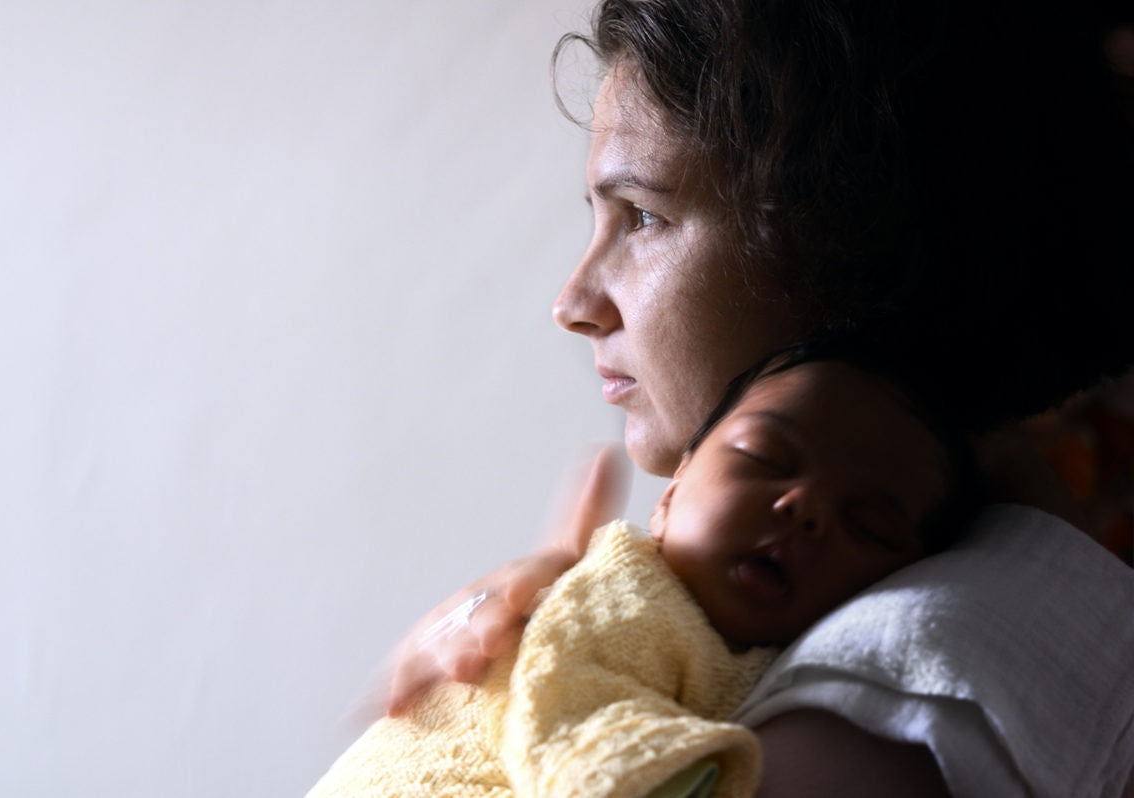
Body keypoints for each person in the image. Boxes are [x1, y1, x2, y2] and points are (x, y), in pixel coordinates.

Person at [384, 1, 1134, 795]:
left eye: (642, 215)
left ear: (841, 241)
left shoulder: (924, 672)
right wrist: (551, 653)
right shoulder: (929, 583)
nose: (574, 301)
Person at [313, 343, 978, 798]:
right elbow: (568, 708)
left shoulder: (778, 659)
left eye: (868, 525)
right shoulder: (627, 593)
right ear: (671, 490)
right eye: (767, 458)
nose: (803, 508)